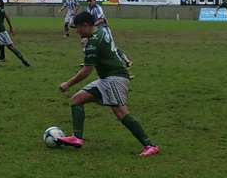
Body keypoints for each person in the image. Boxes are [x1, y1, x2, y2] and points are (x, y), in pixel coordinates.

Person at [56, 12, 159, 156]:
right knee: (76, 100)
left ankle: (150, 145)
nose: (77, 31)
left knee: (121, 112)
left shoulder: (93, 41)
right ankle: (77, 138)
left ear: (85, 25)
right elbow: (111, 54)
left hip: (113, 78)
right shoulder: (100, 33)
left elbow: (86, 71)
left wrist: (68, 83)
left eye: (77, 27)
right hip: (109, 77)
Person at [86, 0, 133, 68]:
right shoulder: (88, 9)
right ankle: (89, 63)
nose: (89, 3)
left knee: (112, 47)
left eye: (90, 1)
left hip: (104, 29)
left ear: (94, 0)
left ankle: (126, 62)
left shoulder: (98, 8)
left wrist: (92, 26)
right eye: (87, 1)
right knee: (95, 46)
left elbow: (101, 20)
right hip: (96, 30)